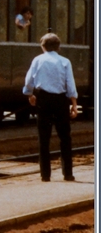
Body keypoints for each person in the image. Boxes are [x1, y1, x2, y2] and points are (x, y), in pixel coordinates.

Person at [23, 32, 78, 182]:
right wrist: (73, 104)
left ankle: (45, 175)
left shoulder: (37, 60)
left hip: (43, 100)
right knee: (65, 137)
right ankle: (68, 174)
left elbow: (29, 80)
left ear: (43, 47)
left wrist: (30, 95)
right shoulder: (65, 61)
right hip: (61, 101)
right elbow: (70, 85)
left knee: (44, 137)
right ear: (58, 47)